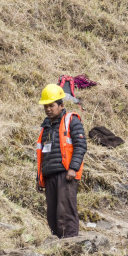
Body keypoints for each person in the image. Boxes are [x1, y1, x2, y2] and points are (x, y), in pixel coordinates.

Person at [36, 84, 87, 239]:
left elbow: (81, 145)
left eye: (51, 105)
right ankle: (57, 243)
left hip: (66, 175)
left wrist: (73, 168)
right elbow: (42, 156)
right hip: (49, 175)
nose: (48, 109)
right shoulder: (45, 128)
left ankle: (70, 244)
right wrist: (39, 178)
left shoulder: (71, 121)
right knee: (52, 213)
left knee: (65, 212)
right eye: (46, 106)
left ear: (61, 105)